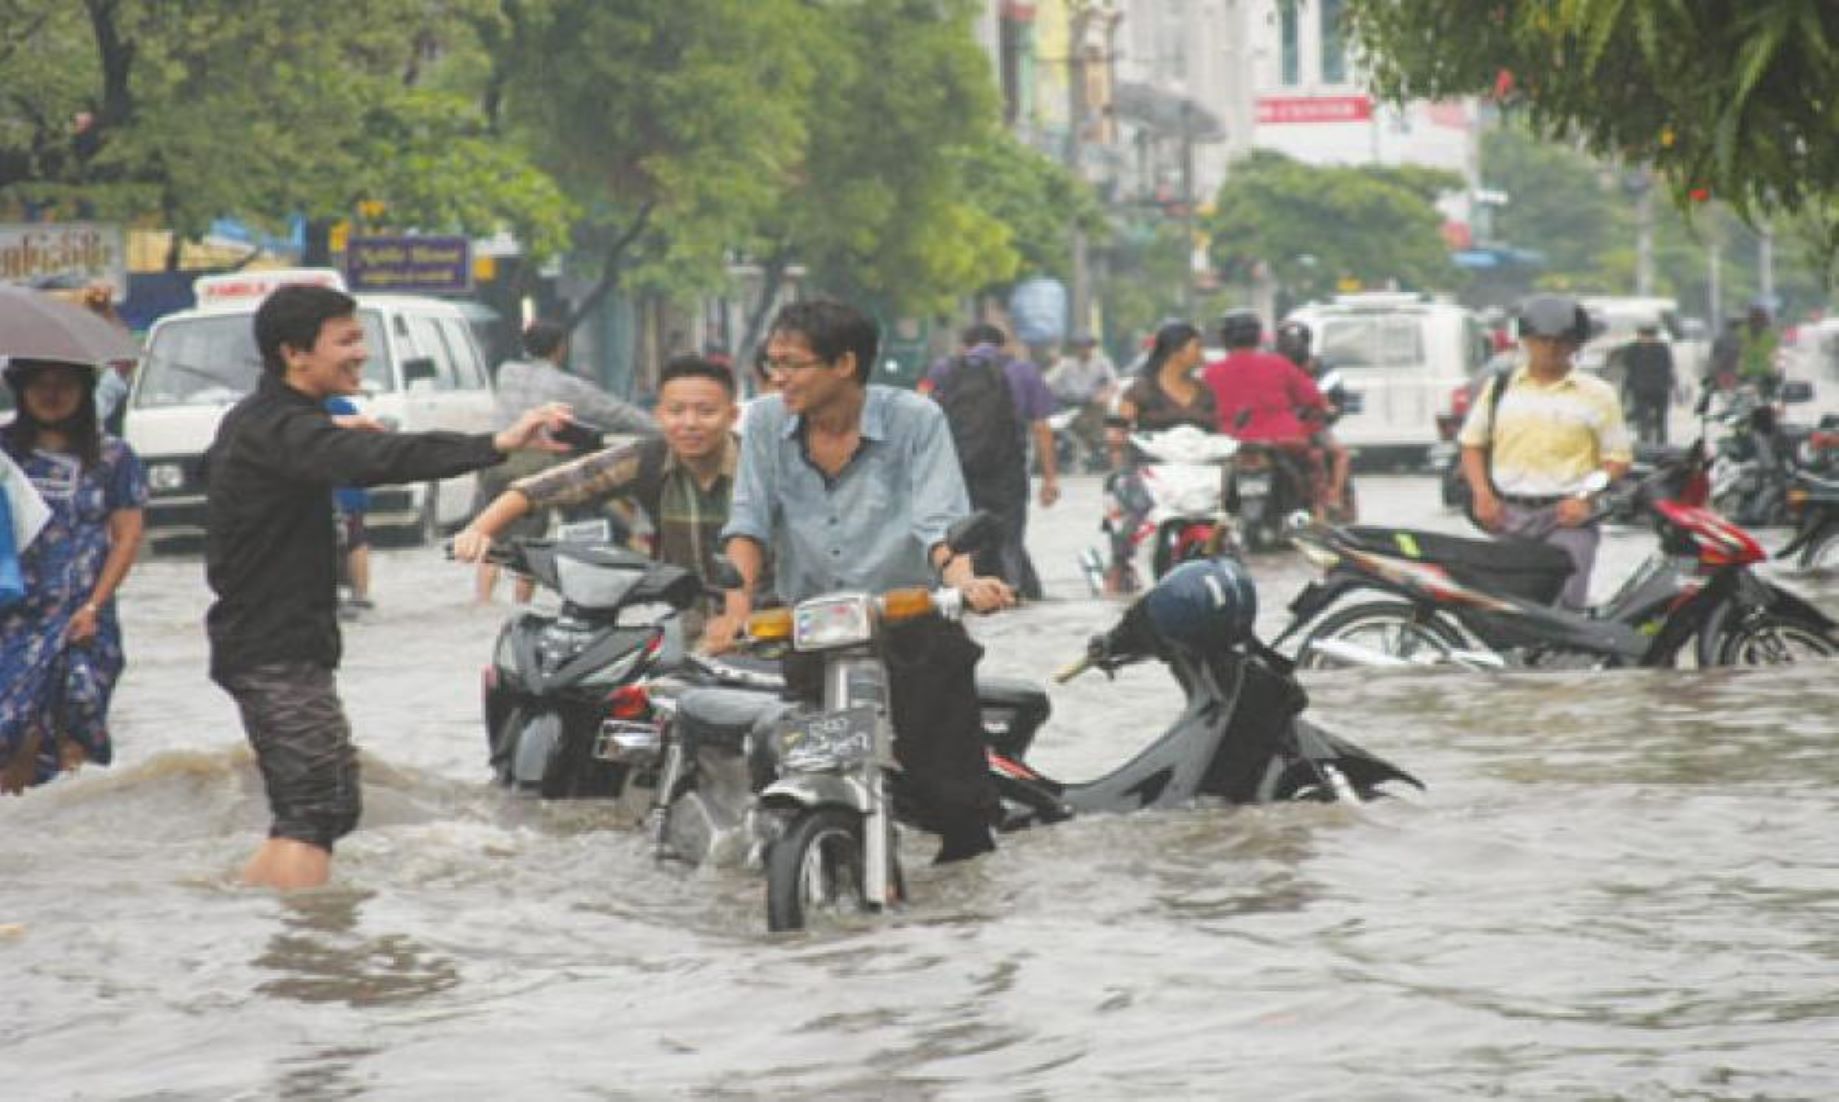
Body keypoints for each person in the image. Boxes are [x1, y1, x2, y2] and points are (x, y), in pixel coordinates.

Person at [204, 283, 570, 890]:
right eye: (346, 341)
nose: (362, 353)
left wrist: (335, 424)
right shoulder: (281, 431)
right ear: (294, 353)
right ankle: (307, 959)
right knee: (316, 809)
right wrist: (497, 444)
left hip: (280, 644)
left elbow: (331, 449)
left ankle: (272, 923)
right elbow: (387, 460)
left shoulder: (273, 422)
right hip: (271, 649)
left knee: (327, 806)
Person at [704, 298, 1015, 864]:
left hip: (909, 622)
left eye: (793, 364)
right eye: (773, 363)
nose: (778, 377)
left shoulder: (915, 420)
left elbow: (940, 522)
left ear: (844, 364)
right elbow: (748, 523)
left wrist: (966, 581)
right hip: (812, 626)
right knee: (785, 760)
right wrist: (734, 610)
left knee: (954, 800)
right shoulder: (767, 422)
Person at [453, 354, 742, 635]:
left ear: (732, 416)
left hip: (761, 625)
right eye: (677, 411)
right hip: (685, 626)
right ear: (659, 415)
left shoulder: (758, 462)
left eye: (706, 412)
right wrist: (477, 531)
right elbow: (546, 486)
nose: (690, 423)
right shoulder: (647, 457)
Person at [0, 358, 146, 793]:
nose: (51, 394)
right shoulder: (4, 451)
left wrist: (93, 605)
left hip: (84, 619)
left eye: (64, 383)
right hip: (15, 617)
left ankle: (74, 839)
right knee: (12, 733)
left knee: (75, 730)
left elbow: (128, 535)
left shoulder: (113, 456)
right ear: (20, 389)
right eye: (39, 384)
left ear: (85, 389)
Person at [1459, 293, 1633, 610]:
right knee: (1508, 608)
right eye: (1542, 340)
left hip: (1568, 520)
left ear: (1577, 345)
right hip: (1508, 516)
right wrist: (1482, 494)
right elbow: (1472, 444)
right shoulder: (1500, 388)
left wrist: (1584, 498)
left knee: (1566, 607)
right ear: (1525, 341)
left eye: (1561, 341)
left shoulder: (1598, 395)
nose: (1551, 349)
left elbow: (1617, 459)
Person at [473, 319, 656, 604]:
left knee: (493, 533)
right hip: (533, 466)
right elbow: (615, 413)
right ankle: (521, 606)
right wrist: (663, 426)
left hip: (495, 462)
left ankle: (482, 601)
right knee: (528, 541)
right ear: (560, 349)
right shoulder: (567, 385)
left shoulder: (506, 372)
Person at [922, 322, 1059, 600]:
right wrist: (1049, 478)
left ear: (964, 345)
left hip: (956, 472)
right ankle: (1014, 596)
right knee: (1009, 540)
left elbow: (920, 415)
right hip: (1007, 473)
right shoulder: (1022, 370)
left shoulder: (943, 369)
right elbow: (1042, 428)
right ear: (1004, 345)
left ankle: (964, 596)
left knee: (960, 541)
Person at [1100, 321, 1218, 593]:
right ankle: (1119, 569)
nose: (1202, 354)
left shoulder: (1205, 392)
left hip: (1198, 475)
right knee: (1131, 516)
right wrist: (1117, 439)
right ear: (1176, 351)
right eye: (1196, 347)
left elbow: (1218, 433)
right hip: (1151, 474)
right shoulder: (1140, 391)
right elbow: (1119, 426)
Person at [1204, 309, 1332, 519]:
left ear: (1225, 339)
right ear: (1257, 336)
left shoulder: (1211, 372)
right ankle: (1319, 514)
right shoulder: (1279, 365)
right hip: (1284, 440)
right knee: (1314, 463)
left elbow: (1202, 409)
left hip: (1228, 441)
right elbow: (1313, 399)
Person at [1274, 319, 1354, 520]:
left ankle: (1333, 498)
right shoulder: (1272, 369)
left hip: (1310, 427)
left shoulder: (1323, 370)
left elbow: (1334, 400)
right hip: (1279, 432)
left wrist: (1330, 410)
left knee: (1338, 454)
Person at [322, 396, 374, 617]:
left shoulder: (291, 410)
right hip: (348, 485)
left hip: (329, 488)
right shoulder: (343, 406)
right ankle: (360, 595)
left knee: (334, 543)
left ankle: (337, 597)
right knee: (356, 539)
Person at [1045, 332, 1118, 466]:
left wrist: (1103, 394)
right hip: (1068, 404)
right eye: (1080, 346)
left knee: (1099, 413)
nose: (1083, 349)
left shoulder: (1102, 362)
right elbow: (1048, 381)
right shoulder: (1066, 364)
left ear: (1092, 347)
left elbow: (1113, 384)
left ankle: (1098, 449)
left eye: (1087, 346)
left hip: (1092, 404)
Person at [1620, 323, 1676, 445]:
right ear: (1639, 335)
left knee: (1661, 419)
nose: (1647, 339)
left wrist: (1672, 386)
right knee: (1642, 419)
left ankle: (1662, 443)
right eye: (1644, 336)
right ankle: (1645, 442)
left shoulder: (1662, 349)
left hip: (1660, 389)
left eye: (1650, 336)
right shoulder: (1632, 349)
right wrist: (1626, 391)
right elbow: (1628, 369)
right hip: (1640, 390)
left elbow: (1668, 368)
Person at [1738, 300, 1781, 398]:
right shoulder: (1770, 335)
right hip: (1763, 374)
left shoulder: (1741, 332)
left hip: (1747, 374)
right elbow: (1775, 357)